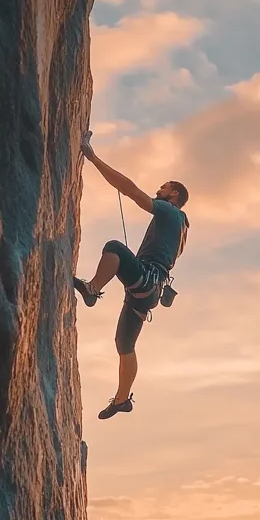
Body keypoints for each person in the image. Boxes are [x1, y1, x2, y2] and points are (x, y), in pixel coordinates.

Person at [74, 132, 189, 419]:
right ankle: (122, 400)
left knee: (113, 247)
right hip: (149, 290)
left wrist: (93, 157)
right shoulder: (182, 226)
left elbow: (132, 191)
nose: (158, 190)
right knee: (124, 344)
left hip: (146, 280)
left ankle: (92, 289)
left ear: (173, 194)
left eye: (163, 188)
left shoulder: (170, 212)